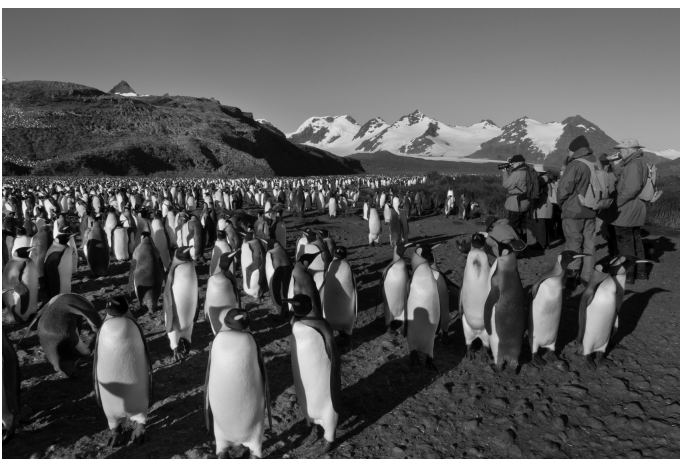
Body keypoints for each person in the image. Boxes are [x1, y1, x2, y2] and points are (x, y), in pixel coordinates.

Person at [556, 135, 599, 290]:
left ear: (574, 150)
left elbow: (563, 189)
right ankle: (587, 277)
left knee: (574, 242)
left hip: (574, 210)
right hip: (592, 209)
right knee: (589, 244)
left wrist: (561, 202)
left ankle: (571, 277)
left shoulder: (576, 164)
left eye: (569, 150)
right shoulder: (596, 162)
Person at [609, 139, 650, 284]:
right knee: (635, 240)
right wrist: (616, 164)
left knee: (625, 242)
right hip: (636, 208)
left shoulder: (633, 164)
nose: (619, 152)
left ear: (628, 150)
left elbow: (630, 189)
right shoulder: (639, 162)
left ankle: (628, 274)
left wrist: (615, 203)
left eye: (621, 149)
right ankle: (641, 272)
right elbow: (624, 179)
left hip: (627, 209)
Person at [501, 154, 530, 242]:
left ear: (518, 163)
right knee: (523, 226)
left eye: (513, 164)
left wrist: (505, 172)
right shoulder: (527, 170)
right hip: (526, 201)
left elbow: (506, 184)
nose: (512, 165)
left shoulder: (517, 173)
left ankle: (516, 246)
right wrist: (511, 163)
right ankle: (524, 244)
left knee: (514, 226)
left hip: (516, 204)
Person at [526, 164, 553, 250]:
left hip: (542, 205)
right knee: (545, 225)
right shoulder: (547, 178)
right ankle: (546, 243)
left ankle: (541, 244)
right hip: (547, 204)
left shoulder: (541, 179)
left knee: (540, 224)